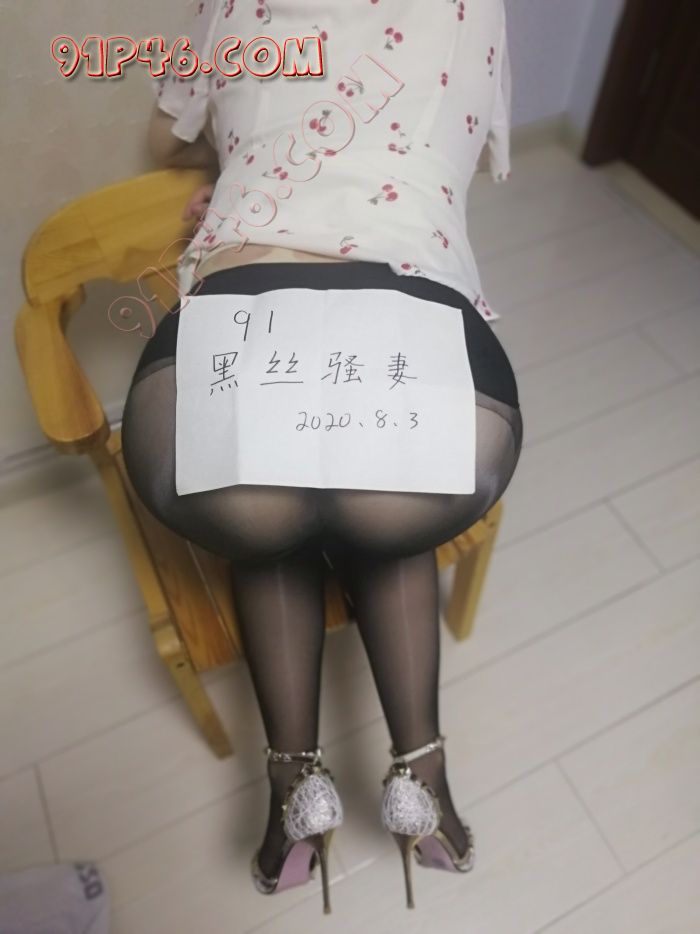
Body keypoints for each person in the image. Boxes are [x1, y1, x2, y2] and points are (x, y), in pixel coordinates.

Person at [121, 0, 522, 914]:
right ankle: (425, 790)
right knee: (387, 503)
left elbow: (162, 140)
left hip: (242, 293)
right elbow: (462, 153)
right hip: (417, 312)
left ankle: (295, 794)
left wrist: (238, 165)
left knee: (262, 515)